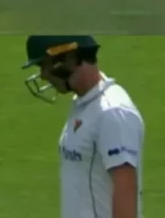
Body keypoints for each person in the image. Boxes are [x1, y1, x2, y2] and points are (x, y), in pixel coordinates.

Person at [22, 35, 144, 218]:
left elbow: (125, 186)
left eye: (44, 66)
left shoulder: (112, 113)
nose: (43, 76)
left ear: (66, 60)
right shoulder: (85, 105)